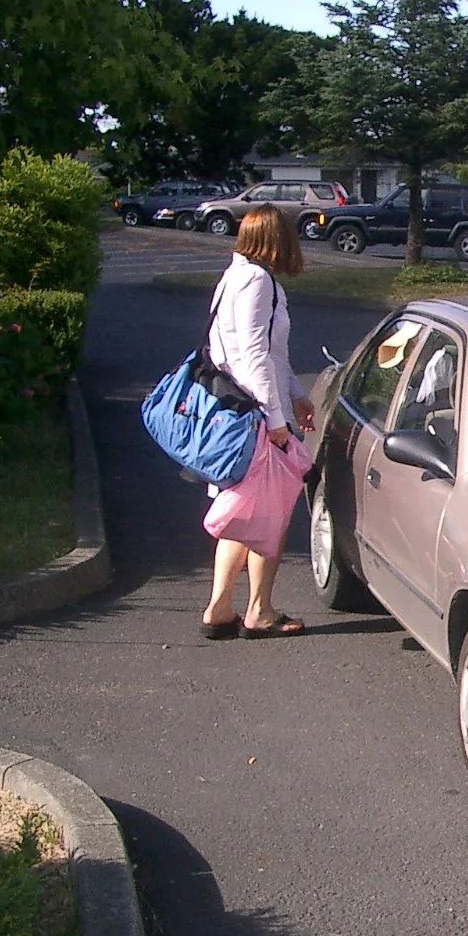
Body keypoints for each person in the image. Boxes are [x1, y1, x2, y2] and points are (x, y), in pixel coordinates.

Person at [199, 205, 315, 638]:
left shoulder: (235, 276)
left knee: (241, 513)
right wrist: (276, 418)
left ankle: (219, 608)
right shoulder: (257, 281)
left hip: (236, 411)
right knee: (269, 513)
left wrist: (298, 394)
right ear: (276, 237)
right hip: (255, 416)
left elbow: (266, 354)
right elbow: (255, 356)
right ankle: (259, 611)